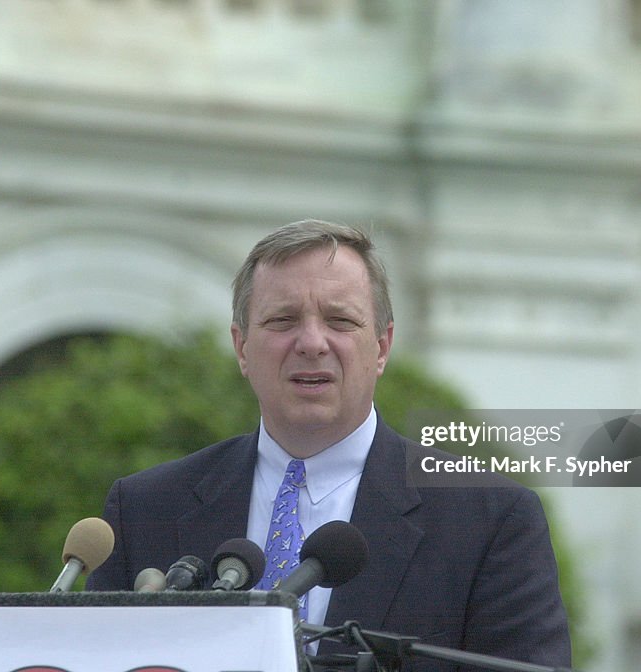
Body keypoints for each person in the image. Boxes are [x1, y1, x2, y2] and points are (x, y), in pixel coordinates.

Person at [86, 220, 571, 669]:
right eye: (282, 321)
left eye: (340, 321)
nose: (312, 342)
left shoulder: (489, 519)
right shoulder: (145, 509)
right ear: (241, 348)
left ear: (381, 347)